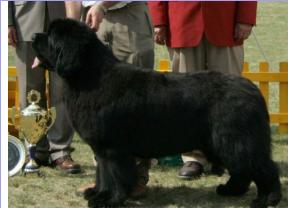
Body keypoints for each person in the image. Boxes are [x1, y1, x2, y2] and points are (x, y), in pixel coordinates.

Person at [148, 1, 257, 179]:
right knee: (186, 99)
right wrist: (159, 21)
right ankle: (192, 158)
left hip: (226, 23)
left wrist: (245, 18)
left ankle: (230, 155)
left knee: (229, 99)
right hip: (182, 23)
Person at [65, 1, 154, 196]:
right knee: (95, 104)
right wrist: (71, 27)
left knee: (135, 103)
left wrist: (103, 5)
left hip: (127, 16)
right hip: (89, 16)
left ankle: (137, 177)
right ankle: (105, 179)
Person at [8, 1, 81, 174]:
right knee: (29, 91)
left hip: (63, 19)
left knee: (63, 90)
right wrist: (8, 21)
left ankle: (61, 152)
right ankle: (35, 150)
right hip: (24, 19)